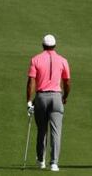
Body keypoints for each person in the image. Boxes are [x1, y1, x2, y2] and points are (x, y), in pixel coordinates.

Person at [26, 34, 71, 173]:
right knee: (56, 132)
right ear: (55, 45)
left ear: (43, 45)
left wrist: (29, 100)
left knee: (42, 130)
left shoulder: (35, 59)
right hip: (57, 97)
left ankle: (41, 161)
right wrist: (65, 96)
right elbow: (67, 82)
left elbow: (31, 82)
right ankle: (54, 163)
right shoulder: (63, 60)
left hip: (41, 97)